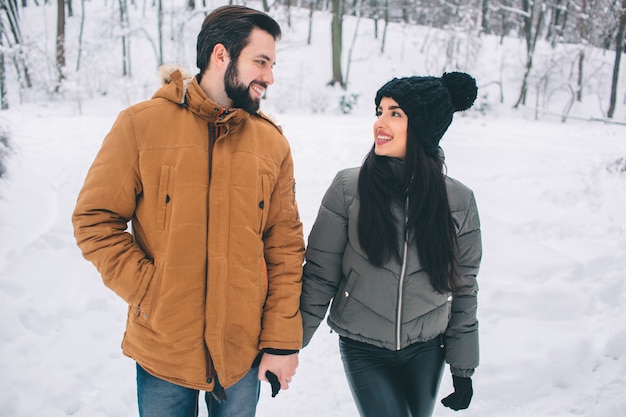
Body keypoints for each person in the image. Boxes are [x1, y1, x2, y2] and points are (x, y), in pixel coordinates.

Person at [72, 5, 305, 417]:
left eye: (272, 64)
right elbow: (95, 219)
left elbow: (284, 247)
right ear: (221, 55)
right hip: (165, 348)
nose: (269, 77)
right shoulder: (141, 125)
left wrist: (282, 340)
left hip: (242, 353)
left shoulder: (272, 144)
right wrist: (151, 290)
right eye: (261, 62)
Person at [299, 72, 482, 417]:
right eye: (379, 111)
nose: (380, 123)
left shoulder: (459, 200)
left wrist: (463, 367)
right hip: (363, 348)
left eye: (394, 113)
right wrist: (288, 346)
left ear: (424, 127)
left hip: (427, 349)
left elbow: (464, 287)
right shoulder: (348, 188)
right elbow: (320, 275)